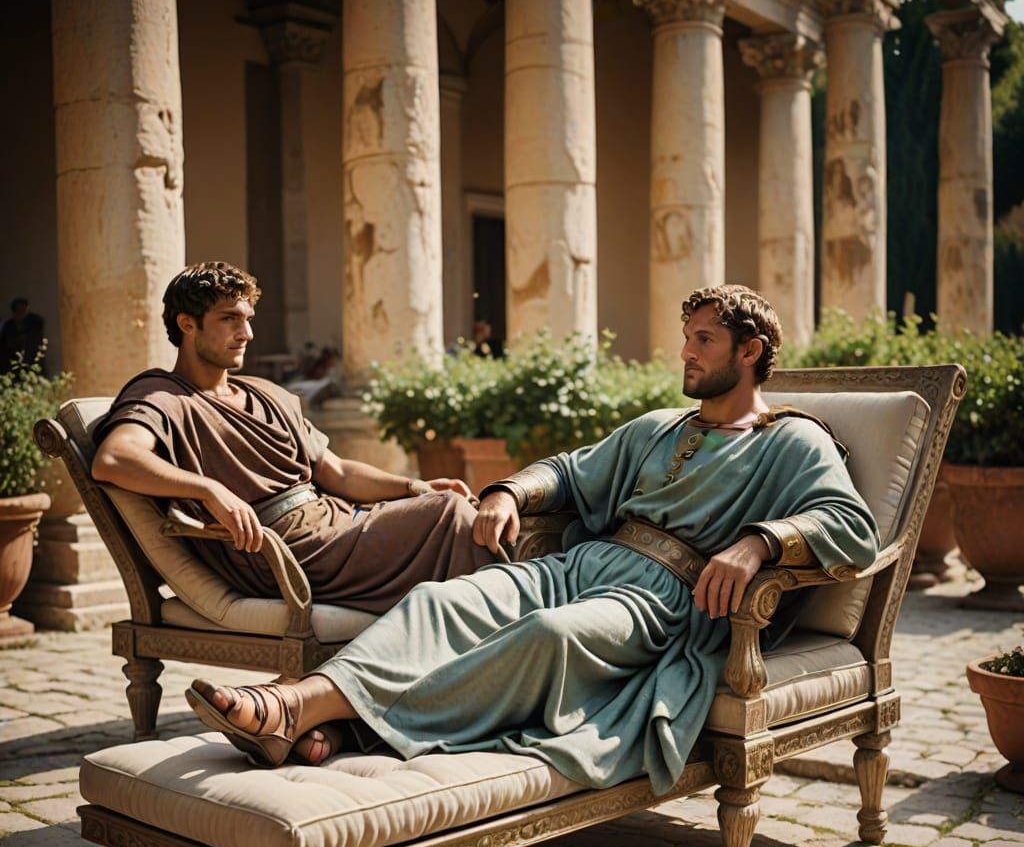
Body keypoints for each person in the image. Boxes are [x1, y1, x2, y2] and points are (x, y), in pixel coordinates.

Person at [186, 284, 880, 794]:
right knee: (441, 604)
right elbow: (570, 471)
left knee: (548, 635)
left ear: (750, 351)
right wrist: (509, 491)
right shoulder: (659, 426)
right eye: (688, 336)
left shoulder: (792, 439)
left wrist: (758, 543)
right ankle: (333, 725)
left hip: (664, 601)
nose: (685, 352)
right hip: (580, 564)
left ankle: (294, 706)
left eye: (703, 339)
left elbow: (851, 526)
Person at [93, 261, 504, 762]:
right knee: (455, 518)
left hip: (337, 526)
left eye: (247, 318)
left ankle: (350, 725)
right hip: (280, 549)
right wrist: (207, 490)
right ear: (186, 324)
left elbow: (337, 471)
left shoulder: (267, 395)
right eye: (228, 319)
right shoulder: (163, 396)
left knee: (452, 520)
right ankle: (501, 685)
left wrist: (413, 485)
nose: (245, 332)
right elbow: (115, 459)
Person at [0, 297, 46, 374]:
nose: (21, 312)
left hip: (31, 361)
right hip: (13, 363)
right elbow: (5, 345)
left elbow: (34, 342)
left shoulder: (34, 323)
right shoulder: (9, 326)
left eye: (23, 309)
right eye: (19, 309)